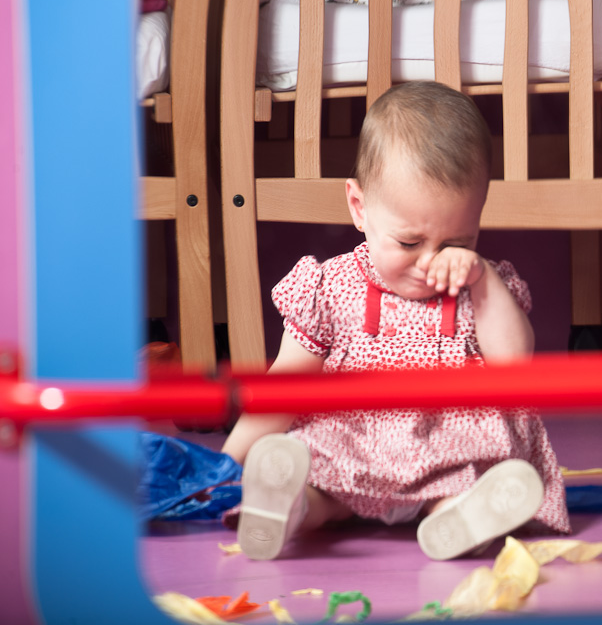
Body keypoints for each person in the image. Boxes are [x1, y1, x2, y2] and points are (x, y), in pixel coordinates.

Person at [222, 81, 571, 561]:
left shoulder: (478, 285)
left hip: (445, 454)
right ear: (359, 207)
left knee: (465, 480)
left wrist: (481, 277)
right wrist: (227, 463)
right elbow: (286, 382)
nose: (431, 262)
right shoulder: (330, 285)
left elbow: (514, 364)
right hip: (351, 450)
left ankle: (461, 518)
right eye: (409, 243)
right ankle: (290, 506)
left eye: (457, 242)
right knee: (316, 477)